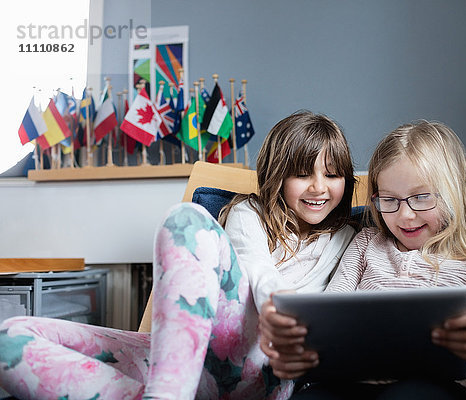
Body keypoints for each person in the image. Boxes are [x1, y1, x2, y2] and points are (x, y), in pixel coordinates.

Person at [0, 111, 357, 400]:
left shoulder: (350, 239)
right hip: (186, 358)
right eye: (301, 173)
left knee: (184, 218)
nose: (318, 187)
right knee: (8, 340)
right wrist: (272, 301)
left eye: (332, 174)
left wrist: (281, 315)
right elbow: (256, 268)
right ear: (277, 175)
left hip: (267, 368)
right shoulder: (249, 213)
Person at [260, 121, 466, 399]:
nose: (405, 216)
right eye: (389, 200)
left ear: (453, 192)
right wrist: (300, 349)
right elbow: (329, 317)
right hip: (348, 383)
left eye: (421, 197)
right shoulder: (367, 242)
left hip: (436, 386)